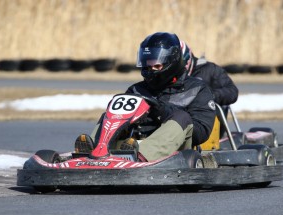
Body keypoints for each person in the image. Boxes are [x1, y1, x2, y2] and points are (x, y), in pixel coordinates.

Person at [75, 32, 216, 161]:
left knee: (182, 117)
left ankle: (140, 157)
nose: (151, 69)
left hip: (176, 150)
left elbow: (201, 132)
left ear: (171, 62)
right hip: (132, 144)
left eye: (156, 65)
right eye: (148, 65)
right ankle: (94, 152)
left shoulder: (197, 89)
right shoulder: (137, 89)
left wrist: (161, 111)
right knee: (112, 114)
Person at [180, 41, 239, 106]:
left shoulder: (210, 69)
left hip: (208, 111)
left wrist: (211, 96)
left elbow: (232, 91)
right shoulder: (171, 74)